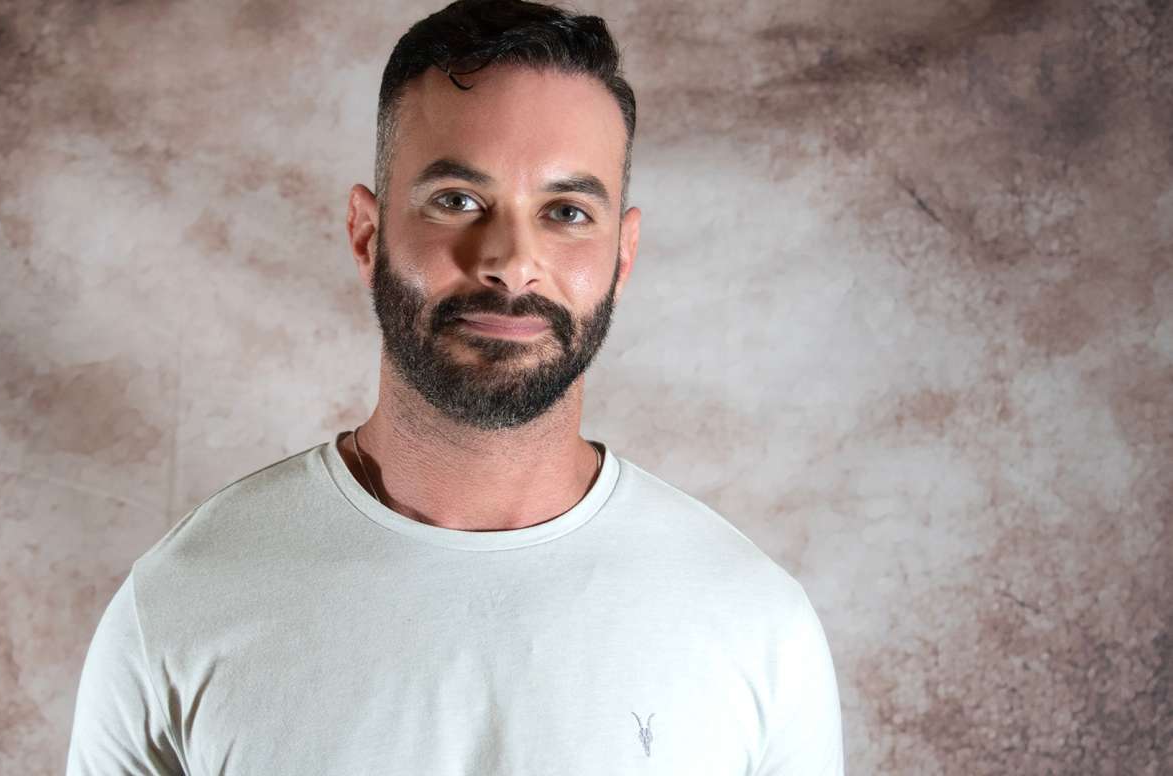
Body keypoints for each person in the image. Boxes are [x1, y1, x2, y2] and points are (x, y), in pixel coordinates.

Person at [65, 1, 845, 773]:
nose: (510, 260)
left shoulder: (751, 622)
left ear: (622, 254)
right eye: (458, 202)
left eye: (567, 212)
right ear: (367, 235)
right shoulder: (180, 603)